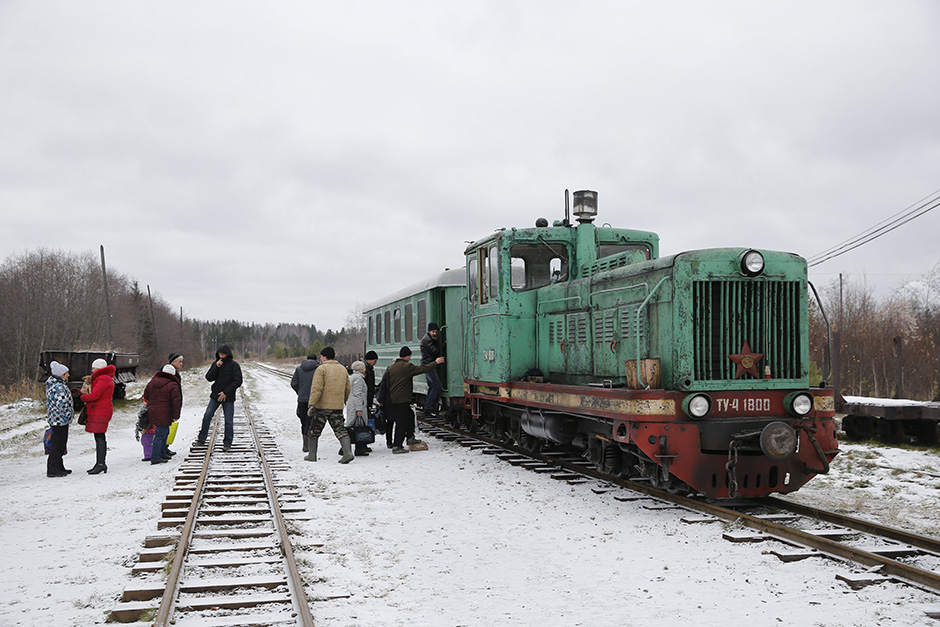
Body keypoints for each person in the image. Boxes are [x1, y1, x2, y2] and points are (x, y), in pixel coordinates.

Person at [385, 346, 444, 454]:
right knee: (401, 423)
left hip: (394, 398)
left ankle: (410, 437)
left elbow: (387, 384)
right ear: (407, 356)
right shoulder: (406, 367)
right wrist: (436, 362)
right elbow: (422, 369)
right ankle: (397, 446)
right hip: (402, 399)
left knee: (410, 416)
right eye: (410, 356)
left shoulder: (391, 368)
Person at [305, 347, 353, 463]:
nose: (320, 358)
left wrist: (312, 404)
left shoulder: (321, 369)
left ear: (325, 357)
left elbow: (317, 389)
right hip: (337, 405)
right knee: (340, 430)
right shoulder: (342, 369)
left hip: (322, 406)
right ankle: (347, 453)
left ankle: (312, 455)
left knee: (314, 431)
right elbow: (347, 388)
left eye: (321, 356)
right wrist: (343, 400)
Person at [197, 344, 243, 451]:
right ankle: (201, 439)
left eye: (223, 354)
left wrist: (226, 392)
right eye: (219, 354)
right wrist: (216, 367)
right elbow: (209, 378)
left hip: (228, 397)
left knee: (228, 421)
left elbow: (238, 381)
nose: (221, 356)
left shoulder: (234, 365)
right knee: (207, 416)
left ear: (228, 354)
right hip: (215, 395)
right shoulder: (216, 364)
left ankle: (227, 443)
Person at [80, 358, 115, 475]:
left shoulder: (103, 379)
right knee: (99, 436)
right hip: (100, 410)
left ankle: (101, 464)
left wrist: (83, 397)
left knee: (100, 437)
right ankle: (100, 463)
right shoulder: (103, 378)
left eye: (94, 368)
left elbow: (95, 395)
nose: (92, 370)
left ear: (98, 368)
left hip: (100, 411)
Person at [143, 361, 183, 465]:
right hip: (165, 412)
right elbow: (176, 401)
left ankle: (163, 453)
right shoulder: (172, 384)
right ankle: (156, 457)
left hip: (153, 411)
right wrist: (176, 415)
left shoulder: (152, 382)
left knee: (164, 432)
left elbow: (146, 395)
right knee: (161, 434)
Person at [45, 361, 74, 477]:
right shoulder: (59, 387)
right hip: (59, 420)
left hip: (57, 419)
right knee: (58, 444)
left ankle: (59, 467)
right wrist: (69, 415)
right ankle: (53, 469)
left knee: (60, 444)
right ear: (61, 375)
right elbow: (62, 404)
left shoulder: (55, 385)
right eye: (66, 373)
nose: (68, 375)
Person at [290, 353, 319, 452]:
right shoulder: (318, 369)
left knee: (303, 421)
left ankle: (305, 444)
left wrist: (300, 392)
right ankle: (311, 445)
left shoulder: (299, 369)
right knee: (312, 422)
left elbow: (294, 383)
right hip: (314, 400)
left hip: (302, 400)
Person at [345, 361, 369, 456]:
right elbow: (357, 394)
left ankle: (349, 448)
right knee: (358, 428)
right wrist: (359, 409)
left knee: (353, 427)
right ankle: (351, 448)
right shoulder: (359, 379)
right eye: (363, 368)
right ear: (360, 369)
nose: (365, 369)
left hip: (353, 405)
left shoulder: (353, 377)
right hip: (357, 406)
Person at [420, 322, 443, 416]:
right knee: (436, 385)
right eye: (433, 331)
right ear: (429, 331)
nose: (435, 333)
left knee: (432, 386)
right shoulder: (427, 340)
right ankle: (429, 407)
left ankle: (428, 408)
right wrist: (444, 345)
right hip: (429, 365)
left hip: (428, 364)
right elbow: (434, 351)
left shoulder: (428, 338)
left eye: (436, 332)